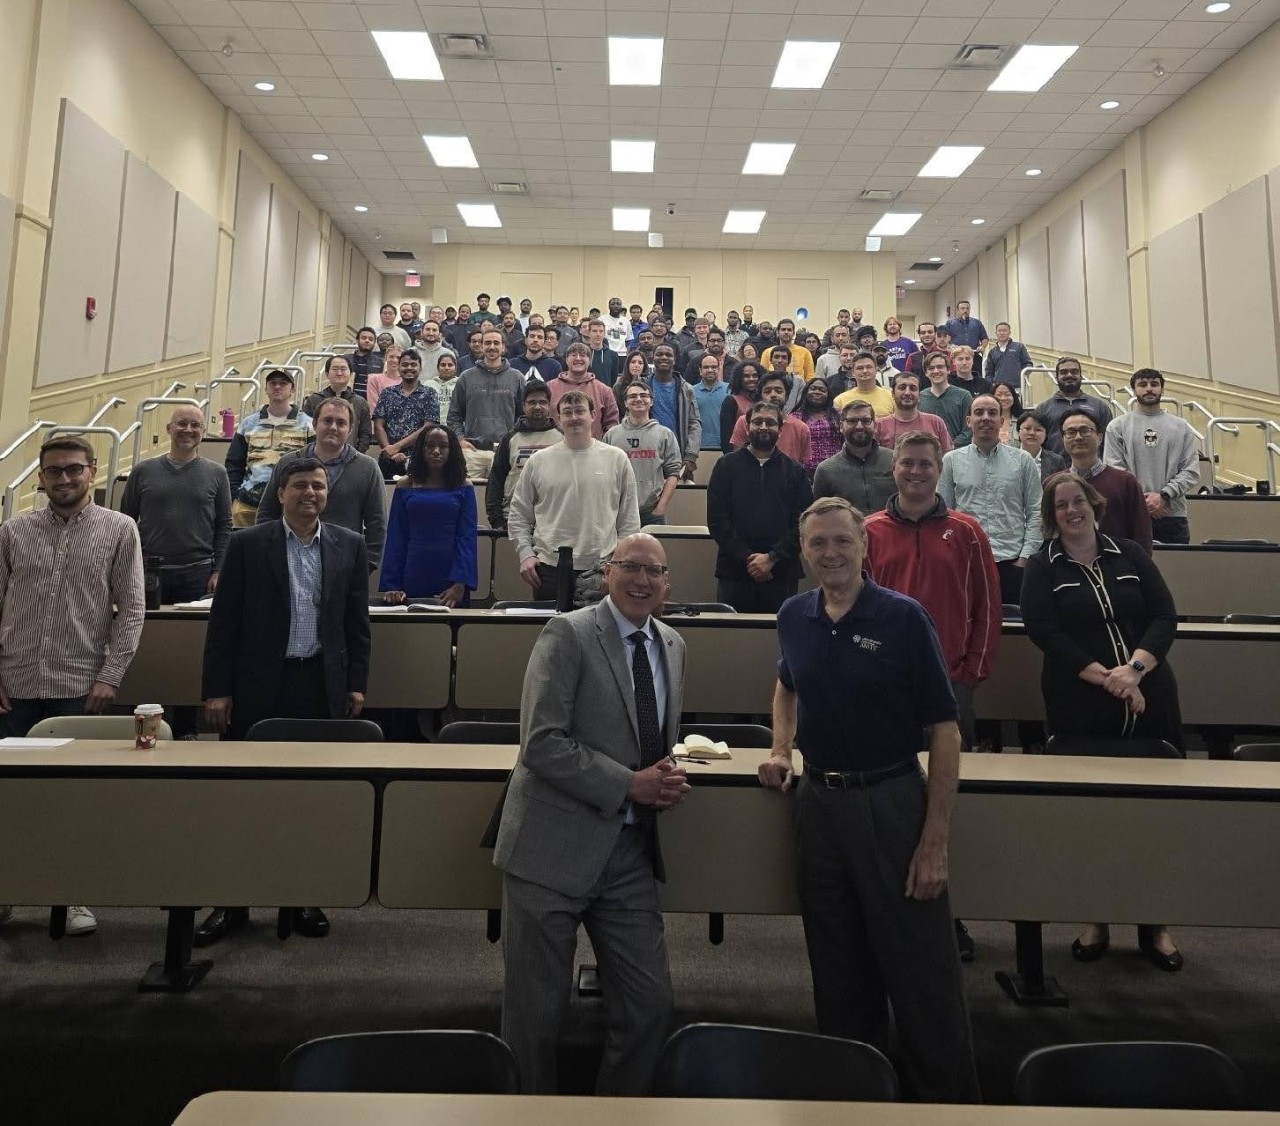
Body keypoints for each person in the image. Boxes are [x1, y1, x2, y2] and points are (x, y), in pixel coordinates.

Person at [760, 496, 980, 1102]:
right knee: (836, 970)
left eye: (841, 541)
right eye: (817, 544)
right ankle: (853, 1099)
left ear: (864, 547)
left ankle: (946, 1107)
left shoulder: (903, 618)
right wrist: (782, 750)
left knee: (920, 974)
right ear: (803, 552)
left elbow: (945, 732)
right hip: (819, 808)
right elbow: (785, 689)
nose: (830, 553)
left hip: (890, 802)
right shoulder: (794, 614)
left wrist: (934, 841)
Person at [492, 533, 689, 1094]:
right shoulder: (568, 634)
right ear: (606, 573)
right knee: (534, 1020)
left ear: (667, 583)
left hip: (628, 855)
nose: (641, 580)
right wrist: (631, 785)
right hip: (548, 850)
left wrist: (665, 774)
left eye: (654, 571)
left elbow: (649, 737)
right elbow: (542, 743)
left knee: (650, 1008)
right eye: (629, 567)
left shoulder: (673, 645)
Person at [197, 458, 371, 946]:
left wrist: (356, 683)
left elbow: (356, 624)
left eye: (318, 486)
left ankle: (301, 898)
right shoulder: (249, 544)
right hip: (257, 688)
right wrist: (217, 689)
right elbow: (223, 623)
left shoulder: (348, 545)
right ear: (280, 493)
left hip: (319, 686)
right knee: (244, 796)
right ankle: (231, 903)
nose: (310, 493)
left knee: (311, 798)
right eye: (300, 486)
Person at [1020, 471, 1184, 972]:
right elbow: (1042, 629)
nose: (1072, 511)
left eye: (1078, 502)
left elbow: (1164, 616)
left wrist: (1134, 671)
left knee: (1151, 815)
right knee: (1090, 817)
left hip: (1150, 693)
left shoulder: (1130, 554)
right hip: (1079, 699)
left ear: (1093, 505)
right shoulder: (1043, 568)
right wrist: (1106, 679)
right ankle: (1096, 916)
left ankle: (1154, 921)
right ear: (1051, 517)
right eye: (1060, 506)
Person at [0, 436, 145, 937]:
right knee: (10, 796)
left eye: (73, 470)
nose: (64, 479)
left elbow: (132, 610)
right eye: (54, 471)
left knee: (74, 797)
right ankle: (7, 889)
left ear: (92, 471)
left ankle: (73, 893)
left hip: (80, 686)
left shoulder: (120, 529)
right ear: (40, 477)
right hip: (13, 684)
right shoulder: (13, 531)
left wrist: (111, 675)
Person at [508, 390, 640, 595]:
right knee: (551, 627)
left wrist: (619, 563)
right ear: (558, 418)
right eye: (567, 412)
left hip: (602, 567)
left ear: (593, 415)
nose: (574, 417)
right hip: (549, 567)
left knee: (599, 627)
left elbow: (629, 520)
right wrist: (525, 553)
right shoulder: (538, 461)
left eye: (580, 411)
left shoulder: (617, 459)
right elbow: (519, 514)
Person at [257, 398, 387, 573]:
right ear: (315, 423)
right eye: (327, 420)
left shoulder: (367, 468)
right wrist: (268, 553)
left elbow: (377, 523)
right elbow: (267, 512)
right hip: (288, 562)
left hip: (343, 565)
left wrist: (367, 563)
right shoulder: (288, 462)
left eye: (341, 423)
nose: (333, 427)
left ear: (349, 430)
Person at [707, 402, 813, 613]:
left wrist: (772, 557)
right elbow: (717, 520)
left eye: (770, 422)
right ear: (746, 427)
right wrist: (748, 558)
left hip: (782, 573)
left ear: (781, 429)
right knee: (732, 641)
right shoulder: (725, 466)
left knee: (780, 641)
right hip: (735, 572)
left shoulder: (795, 472)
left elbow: (804, 523)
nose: (763, 426)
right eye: (757, 422)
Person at [120, 405, 231, 603]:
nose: (188, 429)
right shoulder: (142, 471)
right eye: (181, 423)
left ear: (203, 432)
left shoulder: (217, 473)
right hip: (149, 572)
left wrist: (219, 571)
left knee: (189, 634)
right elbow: (125, 523)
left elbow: (224, 526)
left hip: (198, 574)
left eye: (195, 425)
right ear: (168, 428)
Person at [939, 395, 1041, 606]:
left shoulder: (1023, 461)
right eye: (979, 413)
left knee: (1012, 634)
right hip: (967, 562)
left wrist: (1025, 558)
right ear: (968, 421)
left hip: (1012, 562)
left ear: (1002, 421)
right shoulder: (951, 461)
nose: (985, 418)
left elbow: (1036, 511)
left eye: (992, 413)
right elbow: (943, 515)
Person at [379, 424, 477, 608]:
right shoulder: (405, 486)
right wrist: (392, 584)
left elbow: (467, 538)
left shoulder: (464, 487)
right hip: (412, 574)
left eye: (443, 446)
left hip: (452, 581)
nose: (436, 451)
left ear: (452, 450)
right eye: (429, 446)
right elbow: (396, 537)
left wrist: (460, 583)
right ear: (421, 449)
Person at [1105, 368, 1200, 545]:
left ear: (1162, 389)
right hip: (1130, 514)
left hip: (1172, 515)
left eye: (1154, 384)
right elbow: (1114, 469)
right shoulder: (1117, 426)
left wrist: (1163, 496)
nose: (1149, 388)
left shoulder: (1181, 427)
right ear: (1133, 390)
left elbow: (1191, 470)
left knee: (1173, 570)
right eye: (1142, 385)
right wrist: (1143, 501)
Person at [226, 369, 313, 527]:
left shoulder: (308, 424)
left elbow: (313, 465)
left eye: (283, 383)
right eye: (273, 383)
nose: (277, 387)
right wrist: (235, 494)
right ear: (266, 389)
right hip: (248, 505)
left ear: (292, 390)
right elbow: (234, 463)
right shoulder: (248, 424)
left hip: (291, 506)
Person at [1060, 408, 1153, 554]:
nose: (1078, 437)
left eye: (1085, 430)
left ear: (1100, 437)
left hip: (1118, 569)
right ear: (1063, 439)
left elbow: (1142, 535)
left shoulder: (1125, 482)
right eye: (1070, 432)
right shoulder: (1054, 484)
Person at [604, 382, 682, 527]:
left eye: (644, 395)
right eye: (632, 396)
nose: (638, 399)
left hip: (652, 512)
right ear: (625, 403)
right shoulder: (612, 435)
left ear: (651, 401)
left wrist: (661, 507)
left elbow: (673, 473)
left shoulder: (665, 434)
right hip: (619, 512)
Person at [487, 380, 560, 532]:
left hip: (553, 521)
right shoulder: (510, 439)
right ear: (523, 406)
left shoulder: (562, 438)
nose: (538, 406)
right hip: (514, 520)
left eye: (542, 402)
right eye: (532, 402)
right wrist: (497, 520)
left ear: (549, 405)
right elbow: (496, 480)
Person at [447, 328, 524, 466]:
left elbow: (523, 416)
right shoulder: (466, 377)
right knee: (473, 488)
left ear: (503, 347)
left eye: (496, 343)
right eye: (487, 343)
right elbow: (454, 416)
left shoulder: (517, 377)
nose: (492, 347)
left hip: (506, 451)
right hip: (473, 452)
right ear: (482, 346)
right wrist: (460, 440)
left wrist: (514, 441)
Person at [812, 401, 895, 514]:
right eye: (852, 421)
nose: (859, 426)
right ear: (841, 426)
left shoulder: (894, 460)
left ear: (875, 426)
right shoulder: (826, 470)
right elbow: (819, 514)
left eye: (866, 421)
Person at [371, 349, 441, 479]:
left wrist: (397, 446)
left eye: (413, 365)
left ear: (420, 368)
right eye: (404, 364)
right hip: (388, 459)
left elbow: (429, 427)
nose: (409, 368)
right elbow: (378, 425)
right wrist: (390, 451)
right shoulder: (387, 393)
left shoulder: (430, 394)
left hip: (420, 459)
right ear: (398, 367)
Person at [1034, 356, 1114, 455]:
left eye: (1074, 371)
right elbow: (1037, 443)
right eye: (1063, 372)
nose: (1069, 375)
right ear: (1056, 377)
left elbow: (1110, 443)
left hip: (1092, 468)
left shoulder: (1099, 407)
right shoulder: (1043, 409)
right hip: (1056, 469)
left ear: (1081, 376)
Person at [728, 371, 811, 465]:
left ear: (787, 396)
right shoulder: (745, 421)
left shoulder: (801, 428)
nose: (773, 395)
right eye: (767, 391)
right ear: (760, 396)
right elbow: (736, 460)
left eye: (778, 391)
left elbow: (802, 465)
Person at [645, 345, 701, 481]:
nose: (664, 357)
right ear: (653, 357)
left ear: (675, 360)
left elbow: (694, 423)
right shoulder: (643, 387)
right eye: (659, 354)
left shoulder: (686, 389)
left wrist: (691, 455)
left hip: (678, 455)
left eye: (668, 355)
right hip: (648, 454)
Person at [301, 354, 373, 453]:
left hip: (348, 458)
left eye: (343, 369)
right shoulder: (314, 399)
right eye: (335, 369)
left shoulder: (360, 402)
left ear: (351, 374)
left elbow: (365, 433)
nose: (339, 373)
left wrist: (357, 454)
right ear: (327, 374)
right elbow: (304, 430)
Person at [548, 342, 620, 439]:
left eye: (583, 355)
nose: (578, 358)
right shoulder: (550, 387)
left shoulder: (604, 390)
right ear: (566, 360)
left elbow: (612, 424)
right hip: (555, 448)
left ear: (589, 361)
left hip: (593, 450)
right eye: (573, 355)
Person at [874, 371, 953, 453]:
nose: (907, 393)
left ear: (919, 395)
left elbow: (947, 456)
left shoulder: (936, 422)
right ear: (893, 394)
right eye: (902, 388)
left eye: (913, 388)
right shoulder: (880, 426)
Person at [919, 351, 972, 447]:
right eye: (931, 368)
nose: (936, 371)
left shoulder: (964, 396)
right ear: (926, 373)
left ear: (948, 369)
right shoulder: (919, 398)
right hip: (926, 455)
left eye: (940, 367)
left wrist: (949, 448)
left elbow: (968, 431)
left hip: (957, 454)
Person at [833, 351, 894, 418]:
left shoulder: (892, 397)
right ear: (853, 372)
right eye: (860, 368)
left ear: (876, 370)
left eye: (868, 367)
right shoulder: (840, 400)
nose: (865, 371)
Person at [720, 360, 761, 454]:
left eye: (755, 375)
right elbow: (726, 439)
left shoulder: (764, 401)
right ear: (739, 378)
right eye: (746, 376)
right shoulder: (731, 402)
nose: (751, 379)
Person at [692, 351, 731, 451]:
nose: (710, 370)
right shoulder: (690, 391)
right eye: (706, 367)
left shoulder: (730, 390)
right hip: (698, 447)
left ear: (719, 369)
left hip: (724, 447)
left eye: (714, 367)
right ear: (700, 371)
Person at [1015, 409, 1066, 481]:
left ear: (1046, 434)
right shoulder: (1007, 458)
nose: (1032, 433)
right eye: (1027, 428)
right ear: (1018, 432)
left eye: (1038, 430)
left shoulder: (1057, 461)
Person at [983, 322, 1031, 389]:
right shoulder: (992, 351)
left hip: (1017, 387)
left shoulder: (1019, 347)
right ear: (996, 333)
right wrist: (991, 385)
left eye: (1005, 331)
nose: (1002, 333)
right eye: (999, 331)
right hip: (998, 387)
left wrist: (1023, 378)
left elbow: (1028, 364)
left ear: (1009, 333)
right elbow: (989, 372)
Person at [346, 325, 384, 400]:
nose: (367, 340)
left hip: (371, 401)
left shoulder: (380, 362)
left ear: (374, 343)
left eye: (371, 339)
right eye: (364, 338)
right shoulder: (345, 360)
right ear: (357, 340)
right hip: (348, 400)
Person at [425, 351, 461, 424]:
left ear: (456, 368)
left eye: (450, 365)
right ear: (438, 368)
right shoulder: (428, 385)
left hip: (455, 427)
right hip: (433, 427)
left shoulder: (461, 384)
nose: (446, 368)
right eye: (443, 365)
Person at [366, 344, 402, 411]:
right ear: (385, 358)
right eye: (391, 357)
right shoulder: (374, 379)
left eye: (398, 358)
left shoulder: (407, 381)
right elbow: (373, 406)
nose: (395, 360)